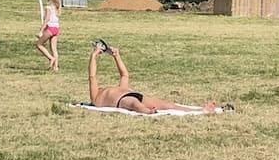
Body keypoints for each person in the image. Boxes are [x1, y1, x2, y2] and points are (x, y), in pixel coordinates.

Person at [87, 40, 222, 113]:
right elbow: (92, 77)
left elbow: (124, 75)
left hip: (128, 95)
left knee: (168, 105)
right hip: (125, 98)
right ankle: (147, 111)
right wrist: (93, 56)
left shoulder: (102, 94)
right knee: (135, 104)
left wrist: (116, 56)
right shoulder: (97, 98)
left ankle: (200, 110)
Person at [35, 0, 62, 70]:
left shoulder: (48, 7)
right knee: (54, 48)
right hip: (56, 28)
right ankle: (56, 67)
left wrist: (41, 30)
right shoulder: (57, 7)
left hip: (50, 28)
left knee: (39, 44)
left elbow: (47, 19)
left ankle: (51, 58)